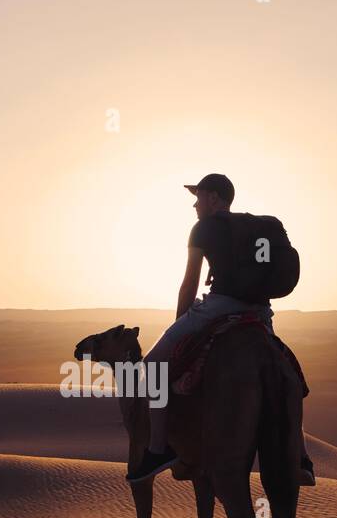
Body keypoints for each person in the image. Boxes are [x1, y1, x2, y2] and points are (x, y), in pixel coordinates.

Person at [127, 173, 314, 484]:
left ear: (214, 197)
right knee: (286, 375)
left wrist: (180, 330)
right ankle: (301, 457)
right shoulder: (258, 227)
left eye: (198, 197)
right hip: (260, 312)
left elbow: (190, 282)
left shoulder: (204, 227)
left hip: (219, 305)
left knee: (153, 367)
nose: (195, 205)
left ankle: (159, 449)